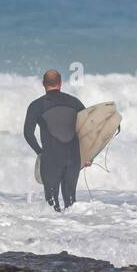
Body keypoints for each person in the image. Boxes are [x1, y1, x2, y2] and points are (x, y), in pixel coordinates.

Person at [23, 69, 86, 211]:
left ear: (43, 84)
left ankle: (55, 232)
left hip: (51, 159)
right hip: (73, 159)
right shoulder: (74, 102)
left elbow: (28, 133)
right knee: (71, 203)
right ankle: (76, 232)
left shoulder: (36, 105)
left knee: (51, 206)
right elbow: (88, 129)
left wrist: (40, 152)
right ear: (60, 83)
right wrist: (87, 154)